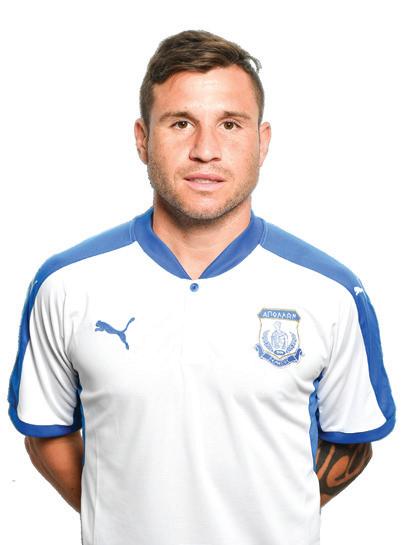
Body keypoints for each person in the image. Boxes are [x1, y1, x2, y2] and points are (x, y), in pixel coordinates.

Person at [7, 29, 396, 545]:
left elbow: (351, 438)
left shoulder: (330, 292)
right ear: (143, 139)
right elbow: (46, 431)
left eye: (230, 124)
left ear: (262, 142)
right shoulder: (66, 284)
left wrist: (275, 514)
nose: (205, 150)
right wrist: (127, 520)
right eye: (181, 123)